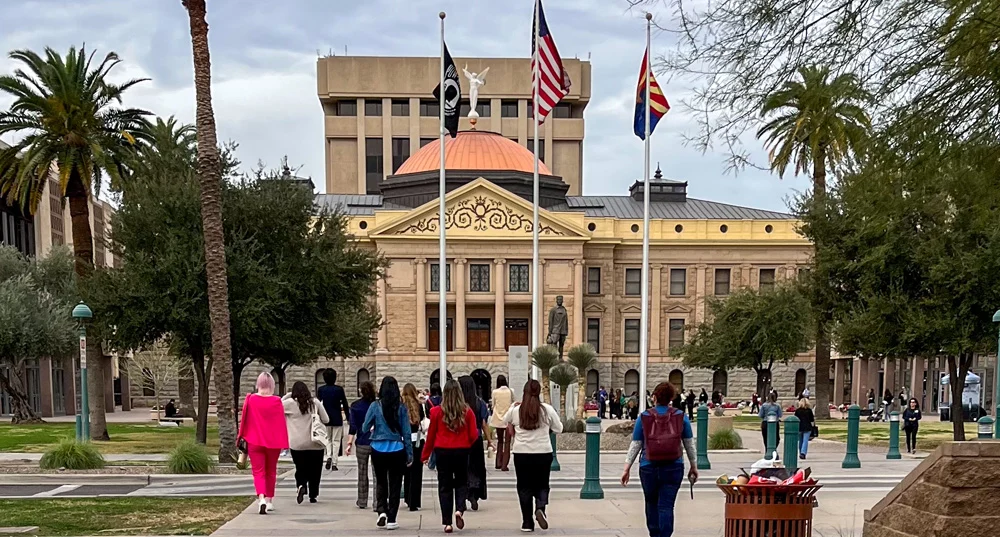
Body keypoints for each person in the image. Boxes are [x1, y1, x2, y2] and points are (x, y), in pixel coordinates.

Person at [621, 382, 698, 537]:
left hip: (648, 466)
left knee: (651, 503)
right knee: (666, 505)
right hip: (674, 466)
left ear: (654, 397)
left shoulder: (644, 417)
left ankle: (654, 534)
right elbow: (689, 444)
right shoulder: (681, 416)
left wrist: (626, 468)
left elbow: (636, 444)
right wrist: (693, 466)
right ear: (671, 398)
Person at [502, 379, 563, 533]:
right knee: (542, 484)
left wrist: (513, 406)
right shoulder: (547, 410)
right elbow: (559, 428)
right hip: (543, 452)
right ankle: (540, 507)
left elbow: (504, 421)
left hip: (521, 453)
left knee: (524, 487)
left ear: (525, 392)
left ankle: (527, 522)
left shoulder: (517, 410)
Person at [422, 379, 479, 533]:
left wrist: (425, 455)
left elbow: (431, 436)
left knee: (444, 486)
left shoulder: (436, 412)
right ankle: (459, 509)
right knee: (461, 481)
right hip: (461, 450)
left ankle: (447, 522)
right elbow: (474, 434)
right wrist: (466, 443)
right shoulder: (467, 412)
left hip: (442, 450)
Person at [362, 376, 413, 530]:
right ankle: (392, 518)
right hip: (397, 449)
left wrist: (374, 428)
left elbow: (365, 427)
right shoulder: (401, 407)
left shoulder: (374, 406)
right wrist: (409, 453)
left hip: (378, 449)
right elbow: (406, 432)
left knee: (381, 482)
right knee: (395, 485)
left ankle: (381, 510)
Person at [238, 372, 289, 515]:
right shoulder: (277, 401)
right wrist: (284, 442)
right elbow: (281, 423)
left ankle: (261, 498)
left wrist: (240, 438)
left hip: (254, 440)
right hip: (273, 442)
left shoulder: (250, 399)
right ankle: (269, 500)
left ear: (258, 384)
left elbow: (244, 420)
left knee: (258, 472)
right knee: (271, 471)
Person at [283, 381, 330, 504]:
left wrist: (287, 395)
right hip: (315, 443)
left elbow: (276, 407)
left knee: (300, 468)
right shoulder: (315, 402)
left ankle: (301, 485)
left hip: (297, 443)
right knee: (315, 470)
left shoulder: (289, 404)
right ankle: (313, 494)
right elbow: (326, 419)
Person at [459, 375, 491, 510]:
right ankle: (475, 493)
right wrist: (489, 440)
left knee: (462, 468)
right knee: (476, 467)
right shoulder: (479, 402)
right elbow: (484, 423)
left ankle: (463, 494)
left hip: (461, 440)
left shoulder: (458, 405)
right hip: (476, 438)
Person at [346, 381, 377, 510]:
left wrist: (349, 443)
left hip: (362, 442)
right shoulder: (377, 405)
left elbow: (353, 426)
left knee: (362, 473)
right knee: (377, 474)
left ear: (361, 391)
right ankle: (377, 502)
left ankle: (362, 500)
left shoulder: (355, 406)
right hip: (376, 442)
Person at [317, 369, 351, 471]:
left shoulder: (321, 389)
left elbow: (318, 404)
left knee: (328, 439)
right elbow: (344, 404)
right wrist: (348, 417)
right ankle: (335, 463)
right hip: (337, 417)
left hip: (325, 418)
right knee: (336, 441)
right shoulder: (339, 389)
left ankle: (328, 456)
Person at [402, 383, 426, 512]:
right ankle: (414, 501)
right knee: (417, 472)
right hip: (417, 440)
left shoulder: (401, 406)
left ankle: (407, 496)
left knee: (407, 472)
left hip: (404, 441)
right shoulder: (419, 405)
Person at [490, 375, 514, 471]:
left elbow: (493, 405)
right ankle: (504, 464)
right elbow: (513, 403)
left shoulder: (495, 392)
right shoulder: (510, 391)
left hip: (498, 419)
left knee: (500, 441)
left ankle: (498, 462)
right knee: (507, 442)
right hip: (508, 419)